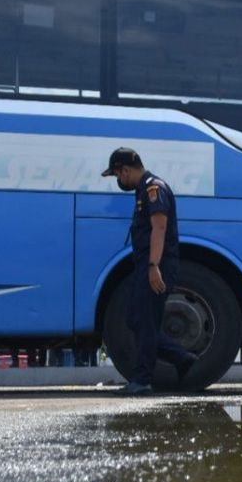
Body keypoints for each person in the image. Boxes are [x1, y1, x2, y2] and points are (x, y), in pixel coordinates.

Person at [102, 147, 198, 396]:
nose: (119, 181)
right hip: (147, 264)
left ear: (125, 169)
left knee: (145, 322)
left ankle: (142, 379)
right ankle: (180, 357)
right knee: (136, 318)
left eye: (117, 176)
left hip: (157, 265)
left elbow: (159, 228)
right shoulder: (142, 190)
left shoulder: (154, 188)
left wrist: (154, 267)